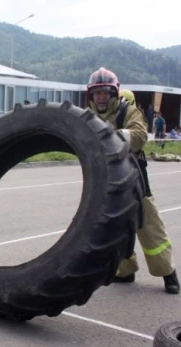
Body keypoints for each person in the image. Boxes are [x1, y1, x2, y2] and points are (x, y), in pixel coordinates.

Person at [86, 67, 178, 294]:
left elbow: (139, 136)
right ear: (91, 96)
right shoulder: (88, 117)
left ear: (114, 93)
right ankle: (125, 271)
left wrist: (109, 135)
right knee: (115, 229)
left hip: (134, 178)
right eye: (97, 93)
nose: (101, 97)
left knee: (150, 228)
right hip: (107, 182)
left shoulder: (128, 112)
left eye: (106, 92)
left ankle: (168, 274)